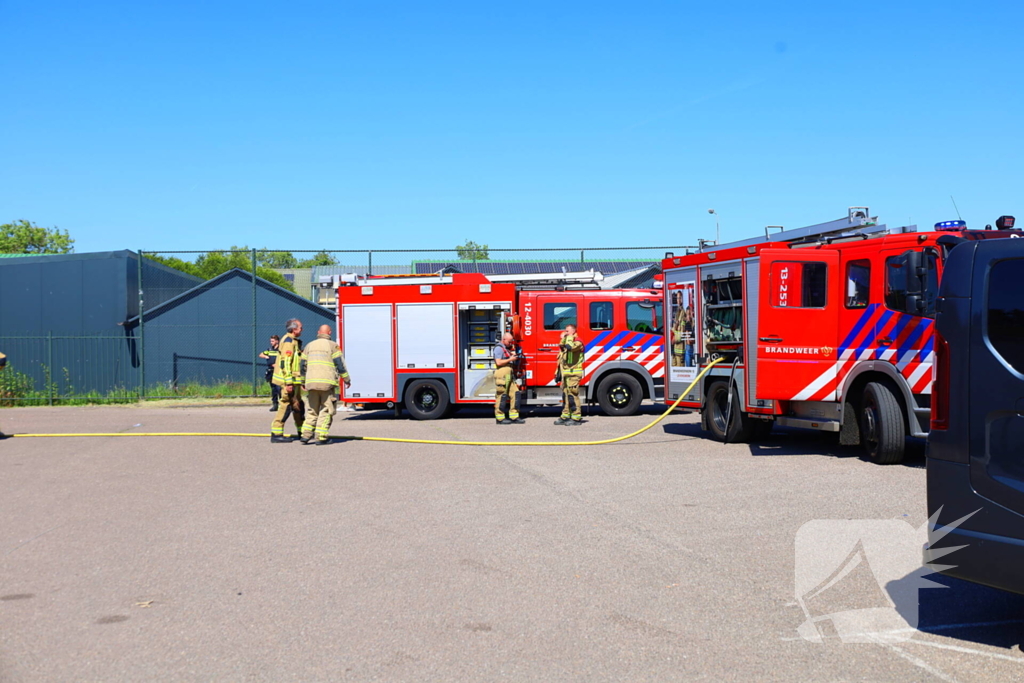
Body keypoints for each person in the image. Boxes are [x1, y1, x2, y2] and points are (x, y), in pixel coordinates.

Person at [299, 325, 351, 445]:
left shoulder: (309, 345)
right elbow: (340, 364)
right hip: (327, 384)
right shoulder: (333, 346)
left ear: (318, 332)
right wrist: (346, 379)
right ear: (330, 332)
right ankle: (321, 437)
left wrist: (303, 381)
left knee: (312, 410)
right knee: (326, 410)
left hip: (311, 383)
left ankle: (305, 435)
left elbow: (302, 365)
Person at [270, 319, 305, 443]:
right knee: (286, 406)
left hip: (295, 381)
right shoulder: (288, 341)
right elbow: (285, 362)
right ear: (294, 329)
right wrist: (289, 382)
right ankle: (276, 433)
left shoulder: (293, 341)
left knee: (298, 405)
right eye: (300, 327)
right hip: (288, 382)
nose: (302, 330)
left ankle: (303, 432)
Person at [554, 323, 585, 426]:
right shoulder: (567, 340)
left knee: (572, 395)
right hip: (566, 374)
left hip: (574, 374)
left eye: (567, 331)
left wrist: (569, 337)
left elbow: (570, 347)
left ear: (573, 331)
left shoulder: (578, 342)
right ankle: (565, 416)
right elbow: (562, 350)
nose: (565, 332)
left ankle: (576, 418)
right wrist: (558, 373)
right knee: (566, 396)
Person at [493, 333, 524, 425]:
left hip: (508, 374)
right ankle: (500, 418)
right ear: (504, 340)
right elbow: (498, 362)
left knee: (516, 393)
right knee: (502, 396)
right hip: (502, 374)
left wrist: (513, 355)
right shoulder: (498, 348)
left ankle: (514, 416)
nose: (510, 343)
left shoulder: (506, 348)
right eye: (509, 342)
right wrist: (510, 359)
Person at [259, 335, 283, 412]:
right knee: (273, 389)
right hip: (271, 371)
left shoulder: (280, 349)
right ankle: (275, 404)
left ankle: (282, 405)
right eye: (270, 341)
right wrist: (265, 356)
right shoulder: (269, 350)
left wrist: (277, 364)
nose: (271, 342)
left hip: (278, 371)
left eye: (272, 341)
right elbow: (260, 354)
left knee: (279, 388)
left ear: (277, 341)